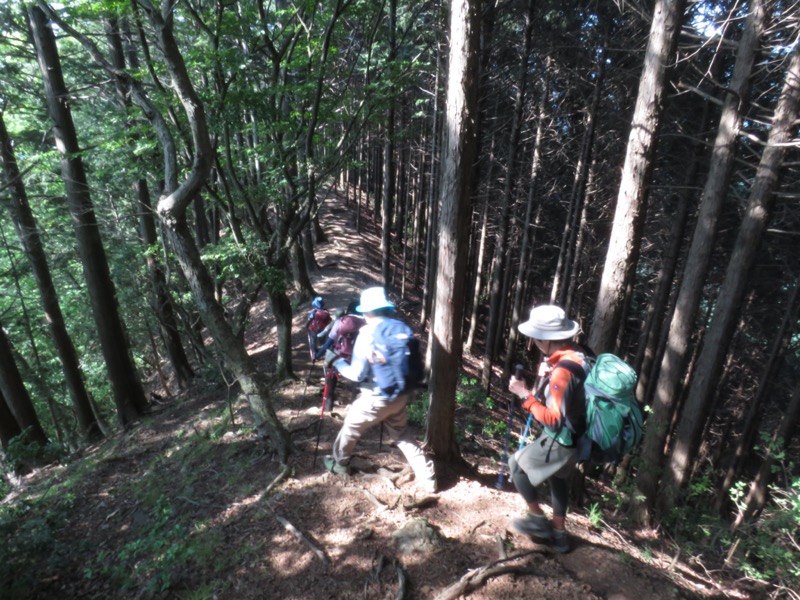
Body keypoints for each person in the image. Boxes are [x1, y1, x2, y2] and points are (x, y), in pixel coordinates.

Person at [322, 287, 437, 494]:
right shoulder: (402, 327)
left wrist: (336, 361)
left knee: (350, 428)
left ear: (367, 312)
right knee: (402, 434)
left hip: (375, 397)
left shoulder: (367, 333)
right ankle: (428, 477)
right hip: (400, 394)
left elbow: (357, 374)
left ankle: (339, 465)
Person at [506, 304, 591, 554]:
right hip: (578, 436)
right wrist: (549, 371)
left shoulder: (562, 371)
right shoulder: (579, 354)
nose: (532, 340)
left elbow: (552, 419)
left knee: (516, 466)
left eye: (534, 337)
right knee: (558, 479)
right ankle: (560, 535)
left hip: (562, 438)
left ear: (545, 339)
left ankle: (537, 519)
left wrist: (524, 394)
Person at [314, 301, 365, 411]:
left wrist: (318, 355)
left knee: (329, 373)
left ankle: (328, 405)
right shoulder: (365, 323)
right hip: (357, 358)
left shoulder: (340, 322)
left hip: (338, 355)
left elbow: (329, 342)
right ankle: (353, 405)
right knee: (357, 383)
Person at [306, 296, 331, 360]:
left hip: (314, 329)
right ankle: (323, 353)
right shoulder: (326, 312)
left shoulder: (313, 313)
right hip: (323, 329)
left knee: (313, 342)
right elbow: (329, 320)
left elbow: (309, 320)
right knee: (322, 342)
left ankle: (314, 355)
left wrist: (306, 326)